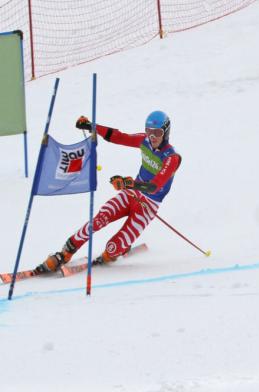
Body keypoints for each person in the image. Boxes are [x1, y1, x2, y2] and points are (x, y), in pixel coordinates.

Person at [35, 110, 182, 273]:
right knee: (99, 219)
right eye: (149, 131)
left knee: (113, 247)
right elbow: (118, 136)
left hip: (148, 206)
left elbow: (155, 186)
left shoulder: (172, 158)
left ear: (166, 132)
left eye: (157, 132)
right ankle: (65, 253)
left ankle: (112, 254)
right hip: (131, 195)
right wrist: (91, 126)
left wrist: (128, 183)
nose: (152, 136)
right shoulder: (144, 140)